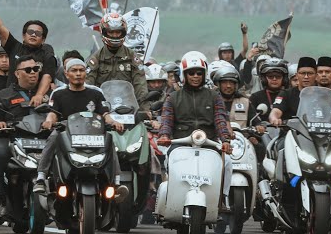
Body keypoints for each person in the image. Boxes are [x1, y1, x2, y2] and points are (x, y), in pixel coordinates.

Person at [37, 58, 130, 200]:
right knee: (53, 137)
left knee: (110, 140)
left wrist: (114, 122)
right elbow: (53, 113)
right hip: (66, 133)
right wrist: (49, 121)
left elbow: (105, 114)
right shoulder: (58, 94)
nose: (78, 73)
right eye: (74, 70)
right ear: (67, 74)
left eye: (81, 70)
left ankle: (116, 181)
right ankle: (41, 177)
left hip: (93, 133)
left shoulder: (96, 93)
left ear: (86, 73)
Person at [155, 51, 232, 208]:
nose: (195, 76)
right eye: (191, 73)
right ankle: (171, 197)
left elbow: (220, 120)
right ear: (185, 75)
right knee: (169, 161)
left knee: (228, 162)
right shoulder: (173, 97)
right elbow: (167, 120)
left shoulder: (214, 96)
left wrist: (225, 140)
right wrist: (163, 135)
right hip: (180, 143)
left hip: (208, 142)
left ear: (204, 75)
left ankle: (221, 199)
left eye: (199, 73)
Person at [0, 55, 46, 204]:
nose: (33, 72)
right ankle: (0, 192)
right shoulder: (4, 95)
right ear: (17, 73)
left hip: (43, 139)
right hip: (12, 137)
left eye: (36, 69)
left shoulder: (48, 93)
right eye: (28, 69)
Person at [0, 0, 58, 106]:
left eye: (38, 33)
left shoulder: (47, 54)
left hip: (38, 100)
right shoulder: (14, 47)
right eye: (30, 32)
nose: (33, 34)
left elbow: (47, 77)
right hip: (12, 98)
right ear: (23, 36)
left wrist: (39, 95)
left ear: (43, 39)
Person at [87, 12, 150, 111]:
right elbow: (88, 85)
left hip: (128, 107)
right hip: (103, 107)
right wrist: (89, 109)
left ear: (124, 32)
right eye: (111, 32)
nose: (115, 35)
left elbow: (140, 84)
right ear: (104, 32)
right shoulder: (96, 58)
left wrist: (145, 110)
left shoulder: (132, 56)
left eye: (118, 32)